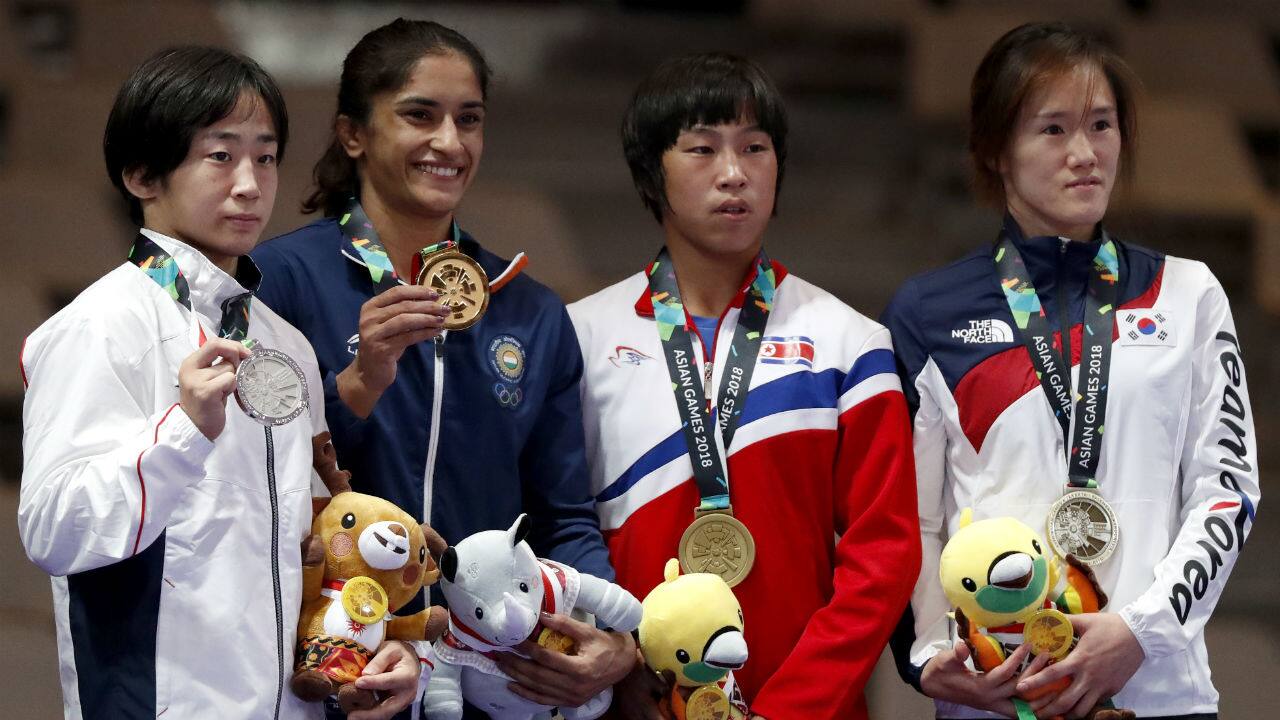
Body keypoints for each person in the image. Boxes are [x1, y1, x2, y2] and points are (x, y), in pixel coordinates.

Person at [18, 46, 419, 720]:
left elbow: (321, 547)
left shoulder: (283, 342)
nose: (250, 183)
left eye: (265, 157)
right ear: (143, 174)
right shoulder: (97, 327)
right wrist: (182, 433)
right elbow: (54, 532)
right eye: (220, 155)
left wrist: (372, 641)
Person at [249, 19, 635, 717]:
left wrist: (608, 635)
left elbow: (561, 514)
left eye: (470, 120)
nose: (450, 143)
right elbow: (253, 485)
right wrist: (355, 387)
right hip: (333, 676)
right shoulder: (280, 282)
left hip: (482, 682)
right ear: (353, 134)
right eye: (420, 115)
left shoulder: (530, 311)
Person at [884, 21, 1260, 720]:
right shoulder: (927, 312)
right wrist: (931, 654)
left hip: (1159, 694)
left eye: (1102, 125)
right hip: (997, 697)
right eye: (1052, 130)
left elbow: (1227, 492)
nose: (1084, 154)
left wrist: (1140, 633)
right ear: (996, 150)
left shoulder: (1189, 293)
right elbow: (911, 516)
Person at [565, 52, 922, 720]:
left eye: (755, 148)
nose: (734, 173)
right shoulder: (579, 339)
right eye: (702, 149)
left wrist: (791, 709)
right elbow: (561, 522)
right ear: (651, 171)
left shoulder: (851, 345)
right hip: (628, 703)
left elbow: (883, 557)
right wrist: (615, 667)